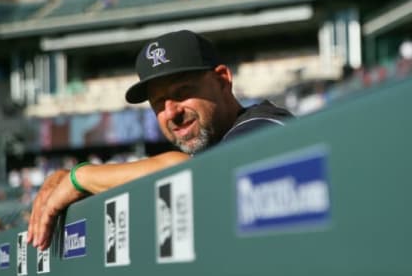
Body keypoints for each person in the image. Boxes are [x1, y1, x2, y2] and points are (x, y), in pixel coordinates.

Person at [27, 29, 293, 250]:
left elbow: (187, 172)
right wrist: (66, 180)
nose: (172, 112)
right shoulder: (210, 145)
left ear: (222, 81)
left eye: (183, 91)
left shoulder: (266, 124)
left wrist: (80, 177)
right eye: (158, 103)